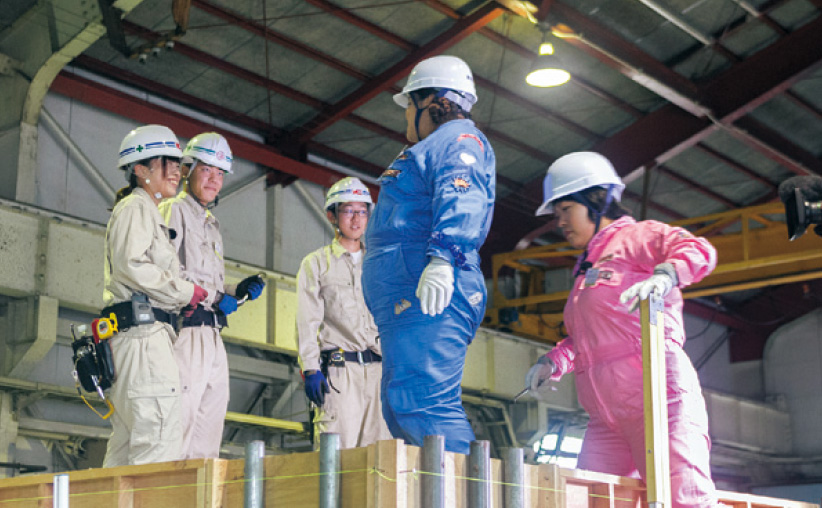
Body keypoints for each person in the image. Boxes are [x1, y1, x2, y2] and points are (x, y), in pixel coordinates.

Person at [525, 151, 721, 508]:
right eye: (556, 214)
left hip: (659, 399)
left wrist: (666, 275)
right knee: (593, 500)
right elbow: (587, 338)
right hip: (606, 417)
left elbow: (699, 249)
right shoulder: (586, 270)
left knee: (684, 500)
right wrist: (554, 361)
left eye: (566, 209)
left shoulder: (638, 236)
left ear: (596, 200)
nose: (560, 222)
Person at [362, 55, 496, 454]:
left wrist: (444, 259)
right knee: (404, 407)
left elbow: (463, 195)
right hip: (410, 293)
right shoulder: (435, 145)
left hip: (432, 287)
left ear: (432, 102)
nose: (406, 121)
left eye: (409, 107)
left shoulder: (459, 142)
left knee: (425, 406)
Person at [102, 124, 208, 467]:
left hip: (140, 338)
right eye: (167, 162)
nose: (177, 171)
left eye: (179, 164)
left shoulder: (143, 210)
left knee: (125, 454)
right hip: (144, 341)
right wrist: (186, 291)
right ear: (140, 169)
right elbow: (131, 265)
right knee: (156, 450)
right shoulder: (136, 208)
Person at [159, 132, 265, 459]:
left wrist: (235, 290)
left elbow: (208, 281)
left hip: (213, 335)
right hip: (187, 330)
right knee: (181, 423)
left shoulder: (211, 224)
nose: (214, 180)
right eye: (207, 170)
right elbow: (166, 273)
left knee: (210, 430)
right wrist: (215, 299)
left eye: (220, 174)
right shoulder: (172, 210)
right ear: (189, 169)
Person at [296, 177, 392, 449]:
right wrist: (311, 368)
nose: (356, 219)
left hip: (379, 373)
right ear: (332, 215)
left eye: (362, 211)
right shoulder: (316, 264)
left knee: (380, 455)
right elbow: (307, 320)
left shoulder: (380, 266)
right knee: (336, 457)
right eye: (348, 211)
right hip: (339, 374)